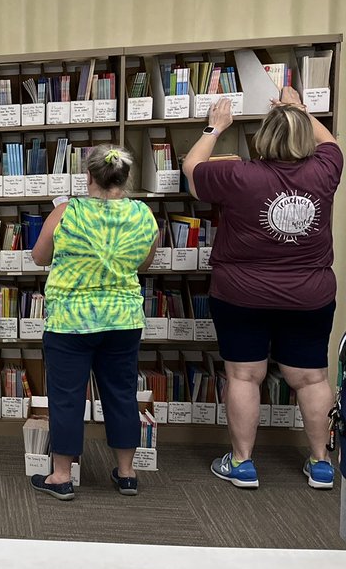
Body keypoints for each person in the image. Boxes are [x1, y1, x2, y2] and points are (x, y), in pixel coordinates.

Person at [183, 89, 341, 490]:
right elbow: (331, 143)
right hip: (309, 295)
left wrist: (214, 127)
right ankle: (322, 463)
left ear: (261, 139)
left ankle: (241, 462)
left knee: (243, 375)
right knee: (311, 379)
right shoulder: (325, 170)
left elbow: (192, 167)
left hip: (242, 294)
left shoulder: (239, 175)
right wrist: (297, 109)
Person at [29, 143, 159, 500]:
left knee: (67, 397)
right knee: (121, 394)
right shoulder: (143, 216)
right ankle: (127, 473)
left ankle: (60, 476)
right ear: (125, 178)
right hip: (123, 320)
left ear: (88, 176)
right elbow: (143, 264)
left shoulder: (66, 213)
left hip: (70, 322)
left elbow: (40, 257)